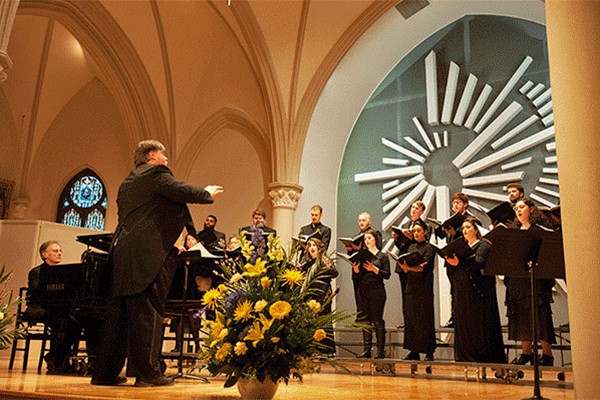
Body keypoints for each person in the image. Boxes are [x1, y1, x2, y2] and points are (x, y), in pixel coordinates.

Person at [91, 139, 223, 387]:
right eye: (163, 155)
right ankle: (148, 374)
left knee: (118, 315)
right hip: (148, 254)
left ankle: (104, 373)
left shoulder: (128, 182)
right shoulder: (155, 173)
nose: (167, 160)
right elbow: (181, 190)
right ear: (152, 155)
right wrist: (207, 194)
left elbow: (157, 210)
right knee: (148, 311)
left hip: (123, 251)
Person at [444, 217, 505, 363]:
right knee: (465, 324)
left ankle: (481, 356)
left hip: (479, 291)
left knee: (479, 326)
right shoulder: (461, 246)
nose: (464, 230)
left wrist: (460, 262)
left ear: (476, 229)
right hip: (463, 290)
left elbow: (479, 263)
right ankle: (465, 356)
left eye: (468, 227)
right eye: (463, 228)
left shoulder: (483, 245)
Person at [505, 198, 556, 367]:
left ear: (531, 209)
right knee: (521, 315)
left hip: (536, 278)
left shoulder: (539, 231)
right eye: (516, 208)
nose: (518, 211)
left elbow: (547, 254)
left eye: (522, 207)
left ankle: (547, 354)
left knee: (540, 314)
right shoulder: (513, 231)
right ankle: (526, 353)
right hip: (517, 279)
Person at [25, 241, 81, 375]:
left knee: (73, 321)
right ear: (45, 254)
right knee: (61, 320)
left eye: (60, 251)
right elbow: (36, 293)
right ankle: (57, 360)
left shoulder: (62, 273)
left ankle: (59, 357)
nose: (59, 253)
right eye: (55, 251)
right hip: (38, 308)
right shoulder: (36, 272)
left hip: (57, 307)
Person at [396, 220, 436, 361]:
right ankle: (414, 351)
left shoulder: (430, 248)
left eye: (419, 230)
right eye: (414, 231)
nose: (416, 233)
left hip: (424, 288)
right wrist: (403, 266)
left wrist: (408, 268)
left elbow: (423, 267)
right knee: (411, 319)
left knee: (425, 319)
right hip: (411, 287)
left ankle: (429, 351)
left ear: (425, 231)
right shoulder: (410, 246)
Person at [352, 230, 390, 359]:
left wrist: (375, 269)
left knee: (377, 320)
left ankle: (380, 350)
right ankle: (366, 349)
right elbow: (358, 277)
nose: (367, 240)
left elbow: (387, 274)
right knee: (365, 321)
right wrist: (356, 270)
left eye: (369, 238)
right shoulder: (362, 255)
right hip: (363, 290)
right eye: (365, 239)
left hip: (377, 290)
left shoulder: (382, 256)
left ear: (375, 240)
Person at [439, 192, 474, 328]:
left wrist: (457, 232)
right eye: (453, 203)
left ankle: (464, 316)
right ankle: (455, 316)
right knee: (453, 290)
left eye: (458, 203)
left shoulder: (469, 220)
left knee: (464, 289)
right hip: (450, 260)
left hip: (463, 260)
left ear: (465, 204)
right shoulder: (451, 221)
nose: (455, 205)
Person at [392, 201, 428, 327]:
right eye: (412, 207)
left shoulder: (423, 226)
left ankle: (415, 319)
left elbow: (422, 244)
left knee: (414, 293)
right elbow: (402, 246)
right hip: (403, 262)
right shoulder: (406, 224)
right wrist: (396, 239)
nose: (413, 210)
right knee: (404, 293)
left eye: (416, 208)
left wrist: (412, 237)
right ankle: (406, 319)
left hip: (414, 264)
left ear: (422, 212)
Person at [299, 237, 338, 355]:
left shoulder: (324, 260)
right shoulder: (305, 260)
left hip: (323, 293)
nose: (311, 248)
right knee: (310, 320)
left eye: (314, 245)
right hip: (310, 293)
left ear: (319, 248)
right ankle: (311, 349)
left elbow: (334, 272)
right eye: (309, 245)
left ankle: (326, 349)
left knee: (324, 320)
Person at [344, 212, 382, 312]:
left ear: (369, 222)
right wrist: (350, 249)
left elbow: (377, 250)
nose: (361, 222)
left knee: (369, 301)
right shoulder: (357, 237)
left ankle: (369, 322)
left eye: (364, 220)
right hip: (357, 270)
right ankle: (361, 319)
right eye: (359, 220)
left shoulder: (375, 234)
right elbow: (352, 256)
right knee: (359, 297)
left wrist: (360, 248)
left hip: (368, 270)